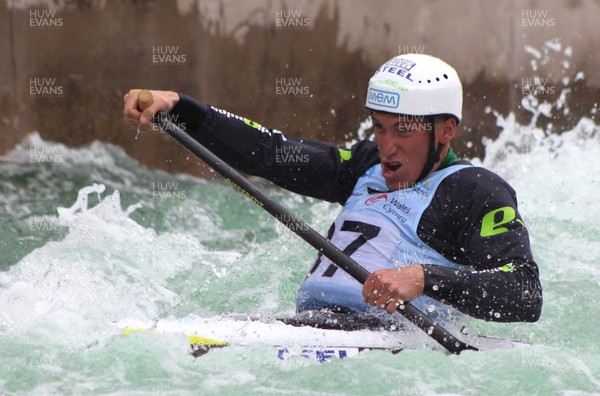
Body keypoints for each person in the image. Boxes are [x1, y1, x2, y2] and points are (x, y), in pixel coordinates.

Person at [123, 53, 542, 326]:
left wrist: (423, 278)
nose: (387, 146)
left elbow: (524, 291)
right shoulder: (364, 165)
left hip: (389, 341)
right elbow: (271, 153)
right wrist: (182, 108)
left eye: (404, 132)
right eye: (379, 128)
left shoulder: (475, 190)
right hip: (312, 326)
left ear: (446, 131)